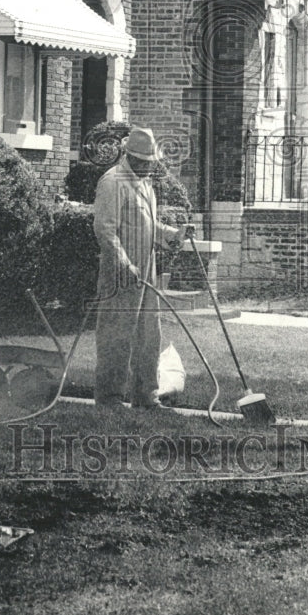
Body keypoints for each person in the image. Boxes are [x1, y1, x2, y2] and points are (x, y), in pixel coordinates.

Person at [92, 126, 194, 409]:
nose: (151, 166)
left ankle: (145, 395)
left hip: (146, 275)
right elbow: (104, 229)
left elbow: (150, 226)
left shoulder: (145, 184)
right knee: (117, 336)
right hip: (120, 276)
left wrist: (174, 234)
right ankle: (109, 397)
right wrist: (123, 263)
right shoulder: (112, 182)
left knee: (150, 335)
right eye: (147, 161)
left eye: (153, 161)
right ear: (131, 157)